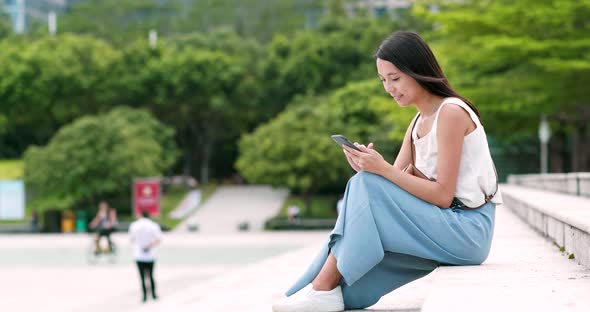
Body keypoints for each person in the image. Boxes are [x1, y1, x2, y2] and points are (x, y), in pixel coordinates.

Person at [272, 31, 502, 312]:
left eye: (395, 78)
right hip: (442, 224)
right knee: (352, 288)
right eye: (383, 80)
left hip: (468, 230)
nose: (389, 88)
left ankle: (321, 289)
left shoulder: (451, 113)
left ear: (417, 70)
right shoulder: (417, 121)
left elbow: (442, 195)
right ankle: (313, 291)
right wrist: (368, 167)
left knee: (366, 185)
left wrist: (380, 171)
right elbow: (388, 192)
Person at [129, 210, 162, 303]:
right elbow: (158, 239)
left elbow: (131, 239)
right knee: (151, 275)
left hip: (138, 254)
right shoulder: (154, 225)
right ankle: (154, 294)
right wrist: (149, 246)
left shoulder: (134, 225)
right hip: (151, 254)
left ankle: (144, 296)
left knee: (142, 277)